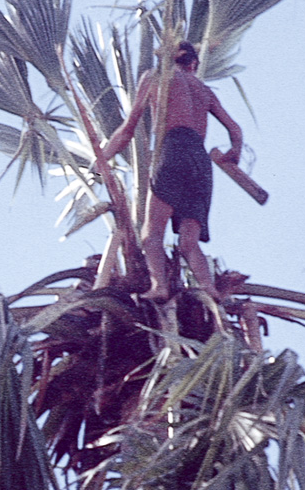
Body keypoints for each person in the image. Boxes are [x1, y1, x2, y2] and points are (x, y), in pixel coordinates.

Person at [101, 41, 243, 300]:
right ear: (193, 64)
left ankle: (159, 287)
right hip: (200, 160)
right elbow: (235, 131)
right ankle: (209, 289)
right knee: (189, 243)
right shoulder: (205, 91)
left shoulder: (157, 76)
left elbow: (129, 127)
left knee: (151, 233)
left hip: (174, 149)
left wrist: (102, 159)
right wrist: (234, 154)